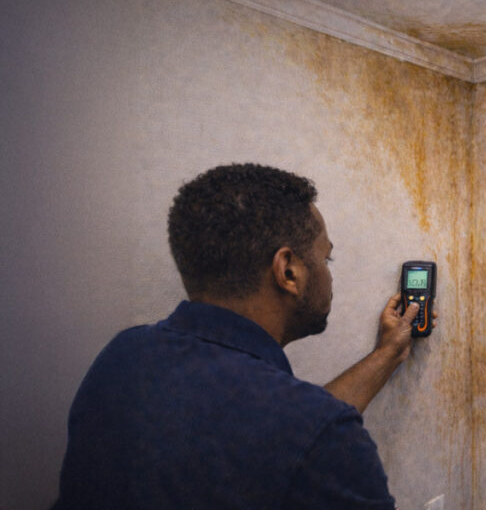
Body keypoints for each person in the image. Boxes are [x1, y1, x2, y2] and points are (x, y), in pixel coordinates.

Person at [54, 164, 427, 509]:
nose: (329, 274)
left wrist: (388, 353)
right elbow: (298, 433)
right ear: (288, 272)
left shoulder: (122, 359)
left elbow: (278, 433)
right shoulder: (319, 434)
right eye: (325, 259)